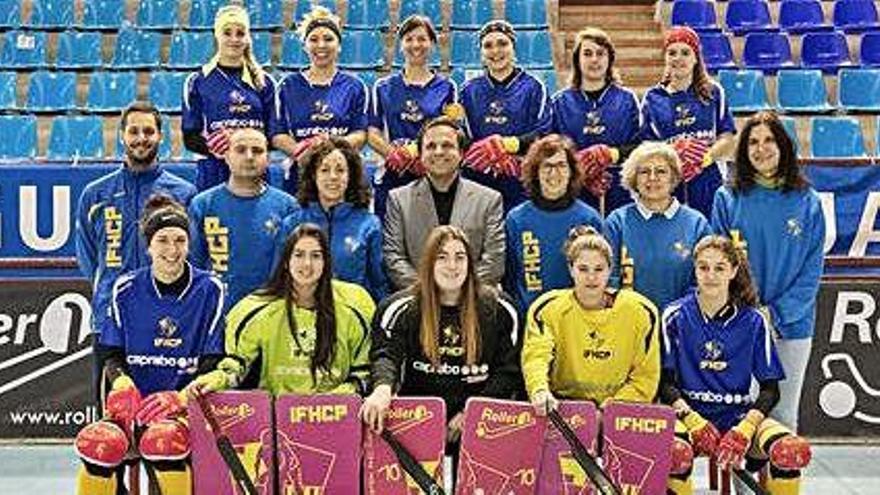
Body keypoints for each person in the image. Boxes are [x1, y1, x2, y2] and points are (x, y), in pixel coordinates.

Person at [74, 196, 225, 495]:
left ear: (189, 244)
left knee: (164, 441)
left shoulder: (211, 289)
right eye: (163, 240)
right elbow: (111, 355)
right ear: (149, 247)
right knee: (97, 444)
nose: (172, 250)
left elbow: (213, 361)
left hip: (183, 410)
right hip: (134, 409)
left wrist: (181, 397)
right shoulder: (125, 288)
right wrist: (122, 382)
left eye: (180, 240)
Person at [660, 235, 812, 495]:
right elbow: (665, 383)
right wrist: (692, 419)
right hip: (689, 419)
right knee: (675, 453)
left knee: (791, 451)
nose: (711, 275)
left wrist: (745, 428)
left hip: (738, 419)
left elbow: (770, 390)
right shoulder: (674, 315)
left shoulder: (754, 321)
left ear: (733, 271)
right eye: (703, 267)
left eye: (719, 268)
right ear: (695, 270)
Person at [711, 111, 825, 432]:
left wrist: (775, 315)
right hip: (740, 325)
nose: (761, 149)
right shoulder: (727, 198)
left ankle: (780, 485)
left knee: (784, 418)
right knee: (741, 420)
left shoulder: (808, 201)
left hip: (792, 326)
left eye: (769, 140)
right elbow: (716, 266)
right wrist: (745, 314)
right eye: (753, 142)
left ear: (784, 146)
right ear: (743, 151)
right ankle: (745, 487)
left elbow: (812, 271)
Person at [362, 225, 521, 455]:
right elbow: (386, 355)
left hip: (480, 421)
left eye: (460, 257)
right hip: (418, 421)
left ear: (470, 263)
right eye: (442, 257)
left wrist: (473, 411)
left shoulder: (500, 309)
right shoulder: (399, 308)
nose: (452, 266)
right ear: (428, 263)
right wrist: (382, 389)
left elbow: (509, 371)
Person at [76, 101, 196, 401]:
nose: (141, 138)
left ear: (161, 136)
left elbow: (191, 255)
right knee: (114, 413)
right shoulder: (95, 195)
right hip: (110, 319)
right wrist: (112, 287)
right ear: (121, 136)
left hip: (169, 318)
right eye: (134, 131)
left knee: (167, 413)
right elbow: (89, 257)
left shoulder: (184, 194)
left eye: (148, 131)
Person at [192, 224, 373, 397]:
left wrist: (335, 399)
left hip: (338, 416)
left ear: (327, 262)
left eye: (316, 256)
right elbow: (236, 366)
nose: (307, 264)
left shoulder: (355, 304)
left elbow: (365, 372)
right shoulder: (255, 308)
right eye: (299, 255)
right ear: (286, 261)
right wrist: (216, 379)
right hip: (275, 416)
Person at [522, 227, 660, 411]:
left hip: (618, 409)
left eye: (599, 269)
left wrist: (611, 409)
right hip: (563, 407)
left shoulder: (641, 311)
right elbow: (536, 357)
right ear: (571, 269)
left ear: (611, 270)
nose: (591, 277)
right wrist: (539, 390)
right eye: (583, 269)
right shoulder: (547, 308)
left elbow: (645, 377)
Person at [383, 116, 505, 290]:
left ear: (462, 154)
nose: (439, 152)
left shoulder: (489, 200)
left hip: (473, 301)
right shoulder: (398, 200)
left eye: (447, 145)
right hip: (418, 301)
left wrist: (459, 293)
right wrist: (429, 293)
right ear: (421, 154)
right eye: (431, 146)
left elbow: (494, 262)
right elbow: (394, 259)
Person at [188, 128, 298, 308]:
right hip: (220, 311)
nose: (249, 156)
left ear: (268, 159)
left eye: (257, 150)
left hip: (272, 311)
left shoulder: (288, 207)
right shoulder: (202, 205)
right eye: (240, 150)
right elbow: (194, 266)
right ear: (226, 156)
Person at [368, 14, 458, 222]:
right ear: (400, 45)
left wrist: (422, 155)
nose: (415, 44)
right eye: (409, 39)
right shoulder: (383, 87)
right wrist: (394, 155)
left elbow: (453, 131)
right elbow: (372, 133)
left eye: (422, 39)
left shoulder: (447, 88)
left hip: (433, 174)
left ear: (432, 44)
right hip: (393, 175)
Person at [271, 6, 369, 195]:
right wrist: (302, 151)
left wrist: (330, 148)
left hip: (342, 173)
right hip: (302, 174)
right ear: (304, 45)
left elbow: (360, 133)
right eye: (313, 39)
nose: (321, 45)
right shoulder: (288, 85)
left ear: (339, 45)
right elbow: (278, 133)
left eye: (328, 39)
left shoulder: (355, 86)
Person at [640, 26, 736, 218]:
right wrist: (673, 154)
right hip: (669, 182)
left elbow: (727, 139)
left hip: (709, 179)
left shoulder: (713, 92)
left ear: (695, 58)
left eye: (685, 52)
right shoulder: (652, 98)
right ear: (665, 58)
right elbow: (646, 147)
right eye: (672, 53)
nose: (678, 58)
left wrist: (703, 159)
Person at [504, 134, 603, 315]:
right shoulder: (516, 219)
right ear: (535, 172)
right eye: (547, 166)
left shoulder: (590, 219)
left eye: (561, 166)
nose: (554, 173)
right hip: (531, 321)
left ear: (572, 171)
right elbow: (509, 278)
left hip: (577, 320)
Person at [605, 141, 711, 310]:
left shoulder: (697, 223)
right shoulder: (617, 222)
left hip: (684, 322)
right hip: (631, 321)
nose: (652, 177)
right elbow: (609, 279)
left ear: (673, 177)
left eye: (661, 171)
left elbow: (706, 280)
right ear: (633, 178)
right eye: (644, 171)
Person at [460, 20, 553, 213]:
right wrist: (484, 151)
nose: (496, 51)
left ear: (513, 48)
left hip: (520, 179)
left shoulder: (534, 87)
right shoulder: (468, 90)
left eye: (502, 43)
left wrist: (507, 145)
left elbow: (544, 134)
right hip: (478, 180)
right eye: (488, 45)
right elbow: (461, 136)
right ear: (481, 53)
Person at [279, 137, 387, 302]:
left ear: (351, 176)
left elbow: (378, 284)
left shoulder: (369, 225)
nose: (333, 176)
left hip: (352, 318)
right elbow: (278, 279)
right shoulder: (292, 224)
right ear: (313, 176)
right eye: (324, 170)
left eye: (340, 170)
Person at [182, 4, 277, 191]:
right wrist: (220, 147)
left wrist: (242, 143)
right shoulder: (197, 81)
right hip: (214, 173)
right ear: (217, 35)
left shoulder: (265, 82)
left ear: (248, 38)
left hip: (256, 172)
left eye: (240, 33)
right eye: (227, 32)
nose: (234, 39)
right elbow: (190, 137)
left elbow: (274, 136)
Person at [551, 27, 641, 214]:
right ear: (577, 59)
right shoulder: (560, 102)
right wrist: (581, 168)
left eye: (600, 54)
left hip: (618, 188)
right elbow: (552, 148)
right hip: (574, 189)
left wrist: (610, 154)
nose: (594, 60)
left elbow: (639, 146)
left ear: (610, 59)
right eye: (587, 53)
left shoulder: (627, 99)